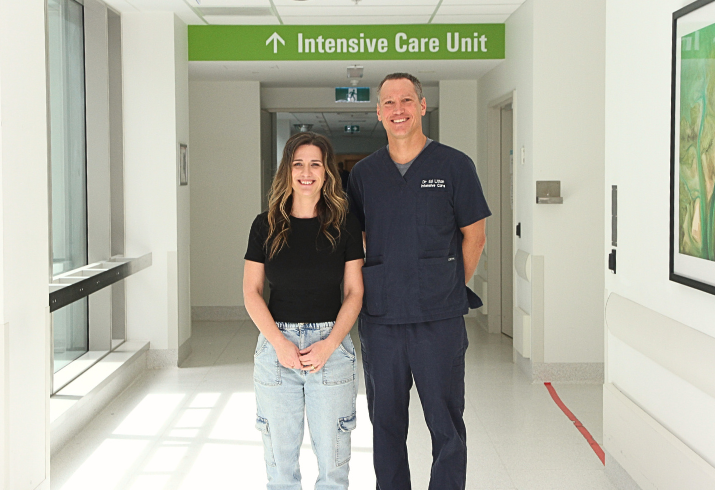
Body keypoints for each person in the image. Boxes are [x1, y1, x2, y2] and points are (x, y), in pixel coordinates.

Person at [346, 73, 490, 490]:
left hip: (438, 322)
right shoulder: (365, 175)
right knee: (386, 425)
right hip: (382, 320)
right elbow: (359, 240)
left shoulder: (455, 165)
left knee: (445, 425)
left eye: (406, 100)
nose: (398, 110)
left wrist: (443, 286)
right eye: (388, 103)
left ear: (422, 106)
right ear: (378, 112)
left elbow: (475, 237)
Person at [244, 131, 365, 490]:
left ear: (327, 171)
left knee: (333, 466)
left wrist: (329, 344)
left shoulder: (344, 225)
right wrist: (280, 343)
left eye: (316, 164)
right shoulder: (264, 225)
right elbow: (251, 292)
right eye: (299, 164)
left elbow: (355, 292)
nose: (307, 172)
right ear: (288, 170)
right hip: (275, 350)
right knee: (280, 469)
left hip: (332, 348)